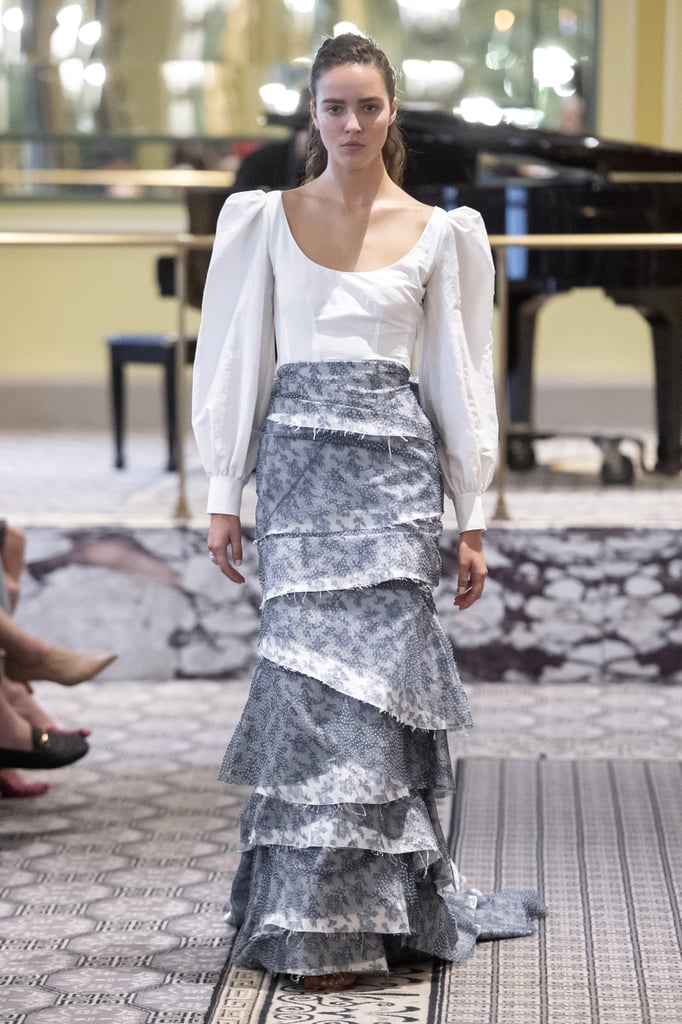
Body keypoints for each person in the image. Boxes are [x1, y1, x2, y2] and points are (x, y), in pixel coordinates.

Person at [192, 32, 544, 991]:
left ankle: (368, 919)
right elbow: (234, 359)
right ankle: (306, 923)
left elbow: (458, 377)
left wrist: (469, 513)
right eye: (335, 106)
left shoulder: (442, 232)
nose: (351, 123)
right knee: (308, 696)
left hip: (395, 480)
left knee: (379, 704)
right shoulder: (262, 220)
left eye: (369, 107)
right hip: (299, 473)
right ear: (312, 113)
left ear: (393, 117)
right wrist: (225, 492)